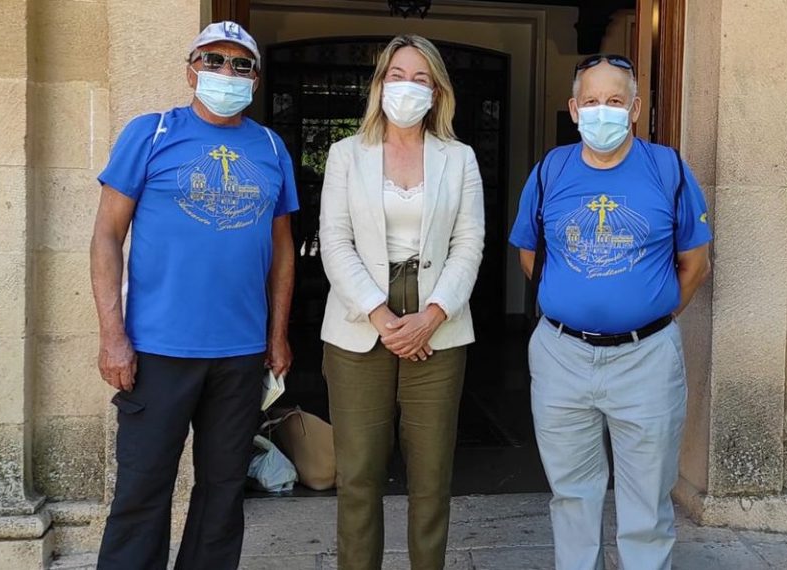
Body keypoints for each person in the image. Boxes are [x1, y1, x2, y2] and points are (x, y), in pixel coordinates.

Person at [90, 20, 299, 570]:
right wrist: (113, 337)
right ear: (191, 70)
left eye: (239, 65)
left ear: (255, 78)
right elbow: (107, 235)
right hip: (157, 350)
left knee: (223, 493)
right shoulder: (151, 133)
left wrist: (277, 336)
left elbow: (282, 251)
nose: (225, 73)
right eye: (213, 61)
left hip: (239, 352)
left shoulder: (271, 146)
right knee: (141, 493)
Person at [508, 54, 712, 570]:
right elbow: (530, 253)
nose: (604, 112)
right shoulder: (550, 171)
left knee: (646, 502)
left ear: (636, 108)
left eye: (615, 102)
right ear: (574, 110)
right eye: (593, 102)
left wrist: (650, 317)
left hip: (646, 359)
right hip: (561, 355)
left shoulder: (668, 169)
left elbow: (695, 263)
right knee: (572, 496)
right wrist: (575, 302)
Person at [318, 34, 485, 570]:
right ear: (378, 84)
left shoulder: (459, 158)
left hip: (439, 318)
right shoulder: (346, 154)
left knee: (431, 477)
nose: (407, 87)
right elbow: (334, 239)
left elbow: (469, 243)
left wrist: (432, 315)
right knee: (359, 474)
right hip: (360, 320)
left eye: (420, 78)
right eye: (396, 75)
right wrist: (381, 314)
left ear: (437, 92)